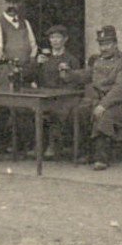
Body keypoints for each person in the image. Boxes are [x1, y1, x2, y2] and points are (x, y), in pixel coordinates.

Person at [68, 25, 122, 171]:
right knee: (79, 112)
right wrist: (69, 74)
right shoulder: (97, 60)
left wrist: (103, 105)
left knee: (103, 115)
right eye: (101, 44)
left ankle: (101, 157)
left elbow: (121, 89)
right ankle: (87, 152)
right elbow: (87, 75)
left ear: (115, 44)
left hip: (118, 105)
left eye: (107, 44)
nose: (103, 48)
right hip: (97, 101)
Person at [0, 0, 38, 154]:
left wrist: (32, 62)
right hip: (6, 71)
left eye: (14, 3)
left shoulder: (25, 23)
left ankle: (20, 144)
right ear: (3, 4)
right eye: (8, 2)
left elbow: (33, 45)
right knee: (5, 106)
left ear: (18, 4)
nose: (11, 6)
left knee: (25, 107)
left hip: (24, 71)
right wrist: (0, 53)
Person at [35, 24, 82, 159]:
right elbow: (35, 78)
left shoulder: (71, 59)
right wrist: (36, 64)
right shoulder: (45, 58)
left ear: (65, 39)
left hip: (63, 96)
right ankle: (38, 145)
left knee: (57, 112)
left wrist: (67, 73)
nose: (55, 41)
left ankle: (53, 145)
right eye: (52, 38)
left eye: (58, 37)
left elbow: (76, 83)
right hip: (45, 94)